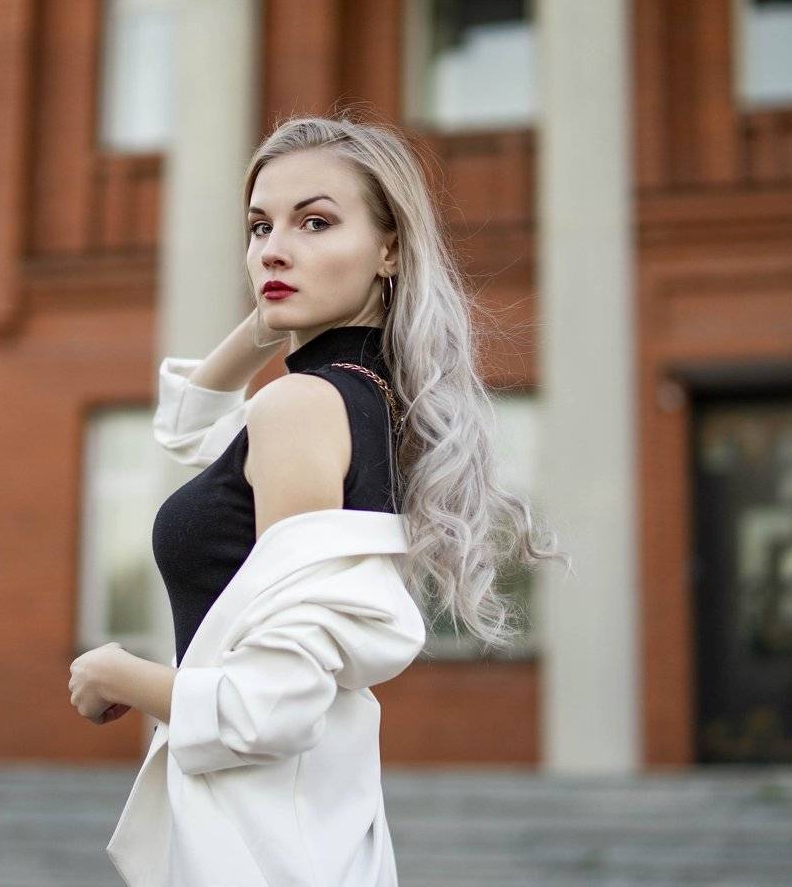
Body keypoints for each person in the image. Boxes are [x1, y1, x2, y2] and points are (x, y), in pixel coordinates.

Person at [68, 113, 569, 886]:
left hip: (258, 842)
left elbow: (272, 706)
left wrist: (114, 673)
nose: (274, 248)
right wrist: (279, 309)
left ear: (390, 248)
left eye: (316, 222)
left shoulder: (301, 407)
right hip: (306, 828)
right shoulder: (368, 398)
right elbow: (188, 426)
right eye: (259, 227)